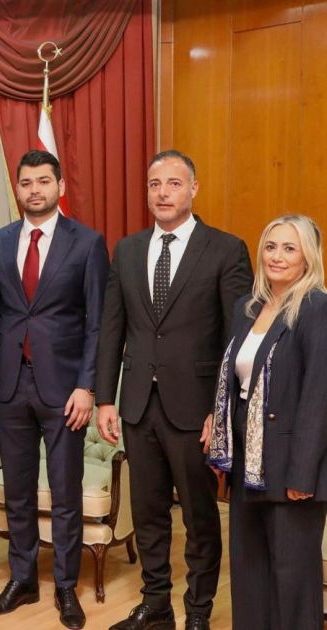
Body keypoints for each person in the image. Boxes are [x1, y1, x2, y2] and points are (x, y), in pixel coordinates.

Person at [96, 150, 253, 630]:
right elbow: (112, 328)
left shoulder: (225, 250)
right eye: (154, 184)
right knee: (148, 513)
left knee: (200, 518)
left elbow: (237, 339)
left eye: (173, 183)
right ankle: (156, 604)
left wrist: (219, 412)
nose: (162, 193)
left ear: (194, 189)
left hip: (195, 410)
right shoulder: (127, 250)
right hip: (137, 405)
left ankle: (199, 611)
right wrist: (105, 398)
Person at [0, 150, 109, 629]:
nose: (34, 190)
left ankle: (65, 585)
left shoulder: (88, 243)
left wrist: (87, 386)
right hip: (11, 386)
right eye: (26, 182)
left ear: (60, 187)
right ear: (17, 188)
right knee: (17, 491)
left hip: (65, 390)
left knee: (64, 492)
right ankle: (23, 580)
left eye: (43, 181)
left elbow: (97, 322)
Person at [207, 215, 327, 630]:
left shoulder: (317, 308)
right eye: (271, 246)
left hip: (293, 464)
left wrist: (303, 474)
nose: (277, 256)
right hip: (248, 460)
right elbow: (235, 382)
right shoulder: (248, 307)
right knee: (249, 571)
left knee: (292, 578)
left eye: (289, 248)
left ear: (308, 257)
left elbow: (318, 396)